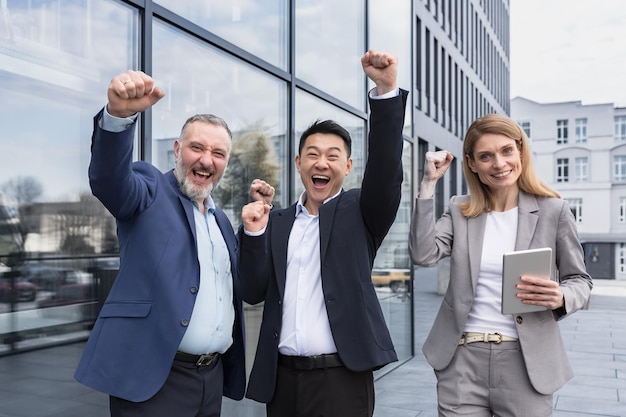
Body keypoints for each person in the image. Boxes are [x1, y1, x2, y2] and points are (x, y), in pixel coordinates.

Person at [74, 71, 274, 417]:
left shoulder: (222, 221)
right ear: (178, 149)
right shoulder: (149, 190)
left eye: (218, 153)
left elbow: (248, 288)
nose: (206, 160)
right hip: (154, 378)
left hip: (210, 378)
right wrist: (118, 117)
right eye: (197, 147)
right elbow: (109, 180)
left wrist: (255, 233)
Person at [238, 50, 408, 417]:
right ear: (298, 164)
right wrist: (253, 235)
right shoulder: (278, 221)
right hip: (282, 381)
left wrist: (386, 93)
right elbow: (252, 291)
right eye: (312, 154)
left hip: (341, 381)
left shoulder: (362, 213)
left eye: (333, 156)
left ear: (347, 167)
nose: (321, 163)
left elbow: (385, 169)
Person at [409, 113, 593, 416]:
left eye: (507, 150)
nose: (499, 163)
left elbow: (580, 281)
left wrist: (561, 296)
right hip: (461, 360)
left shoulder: (554, 210)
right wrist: (429, 184)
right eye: (486, 156)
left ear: (520, 150)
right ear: (472, 163)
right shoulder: (460, 209)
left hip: (526, 362)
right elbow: (423, 253)